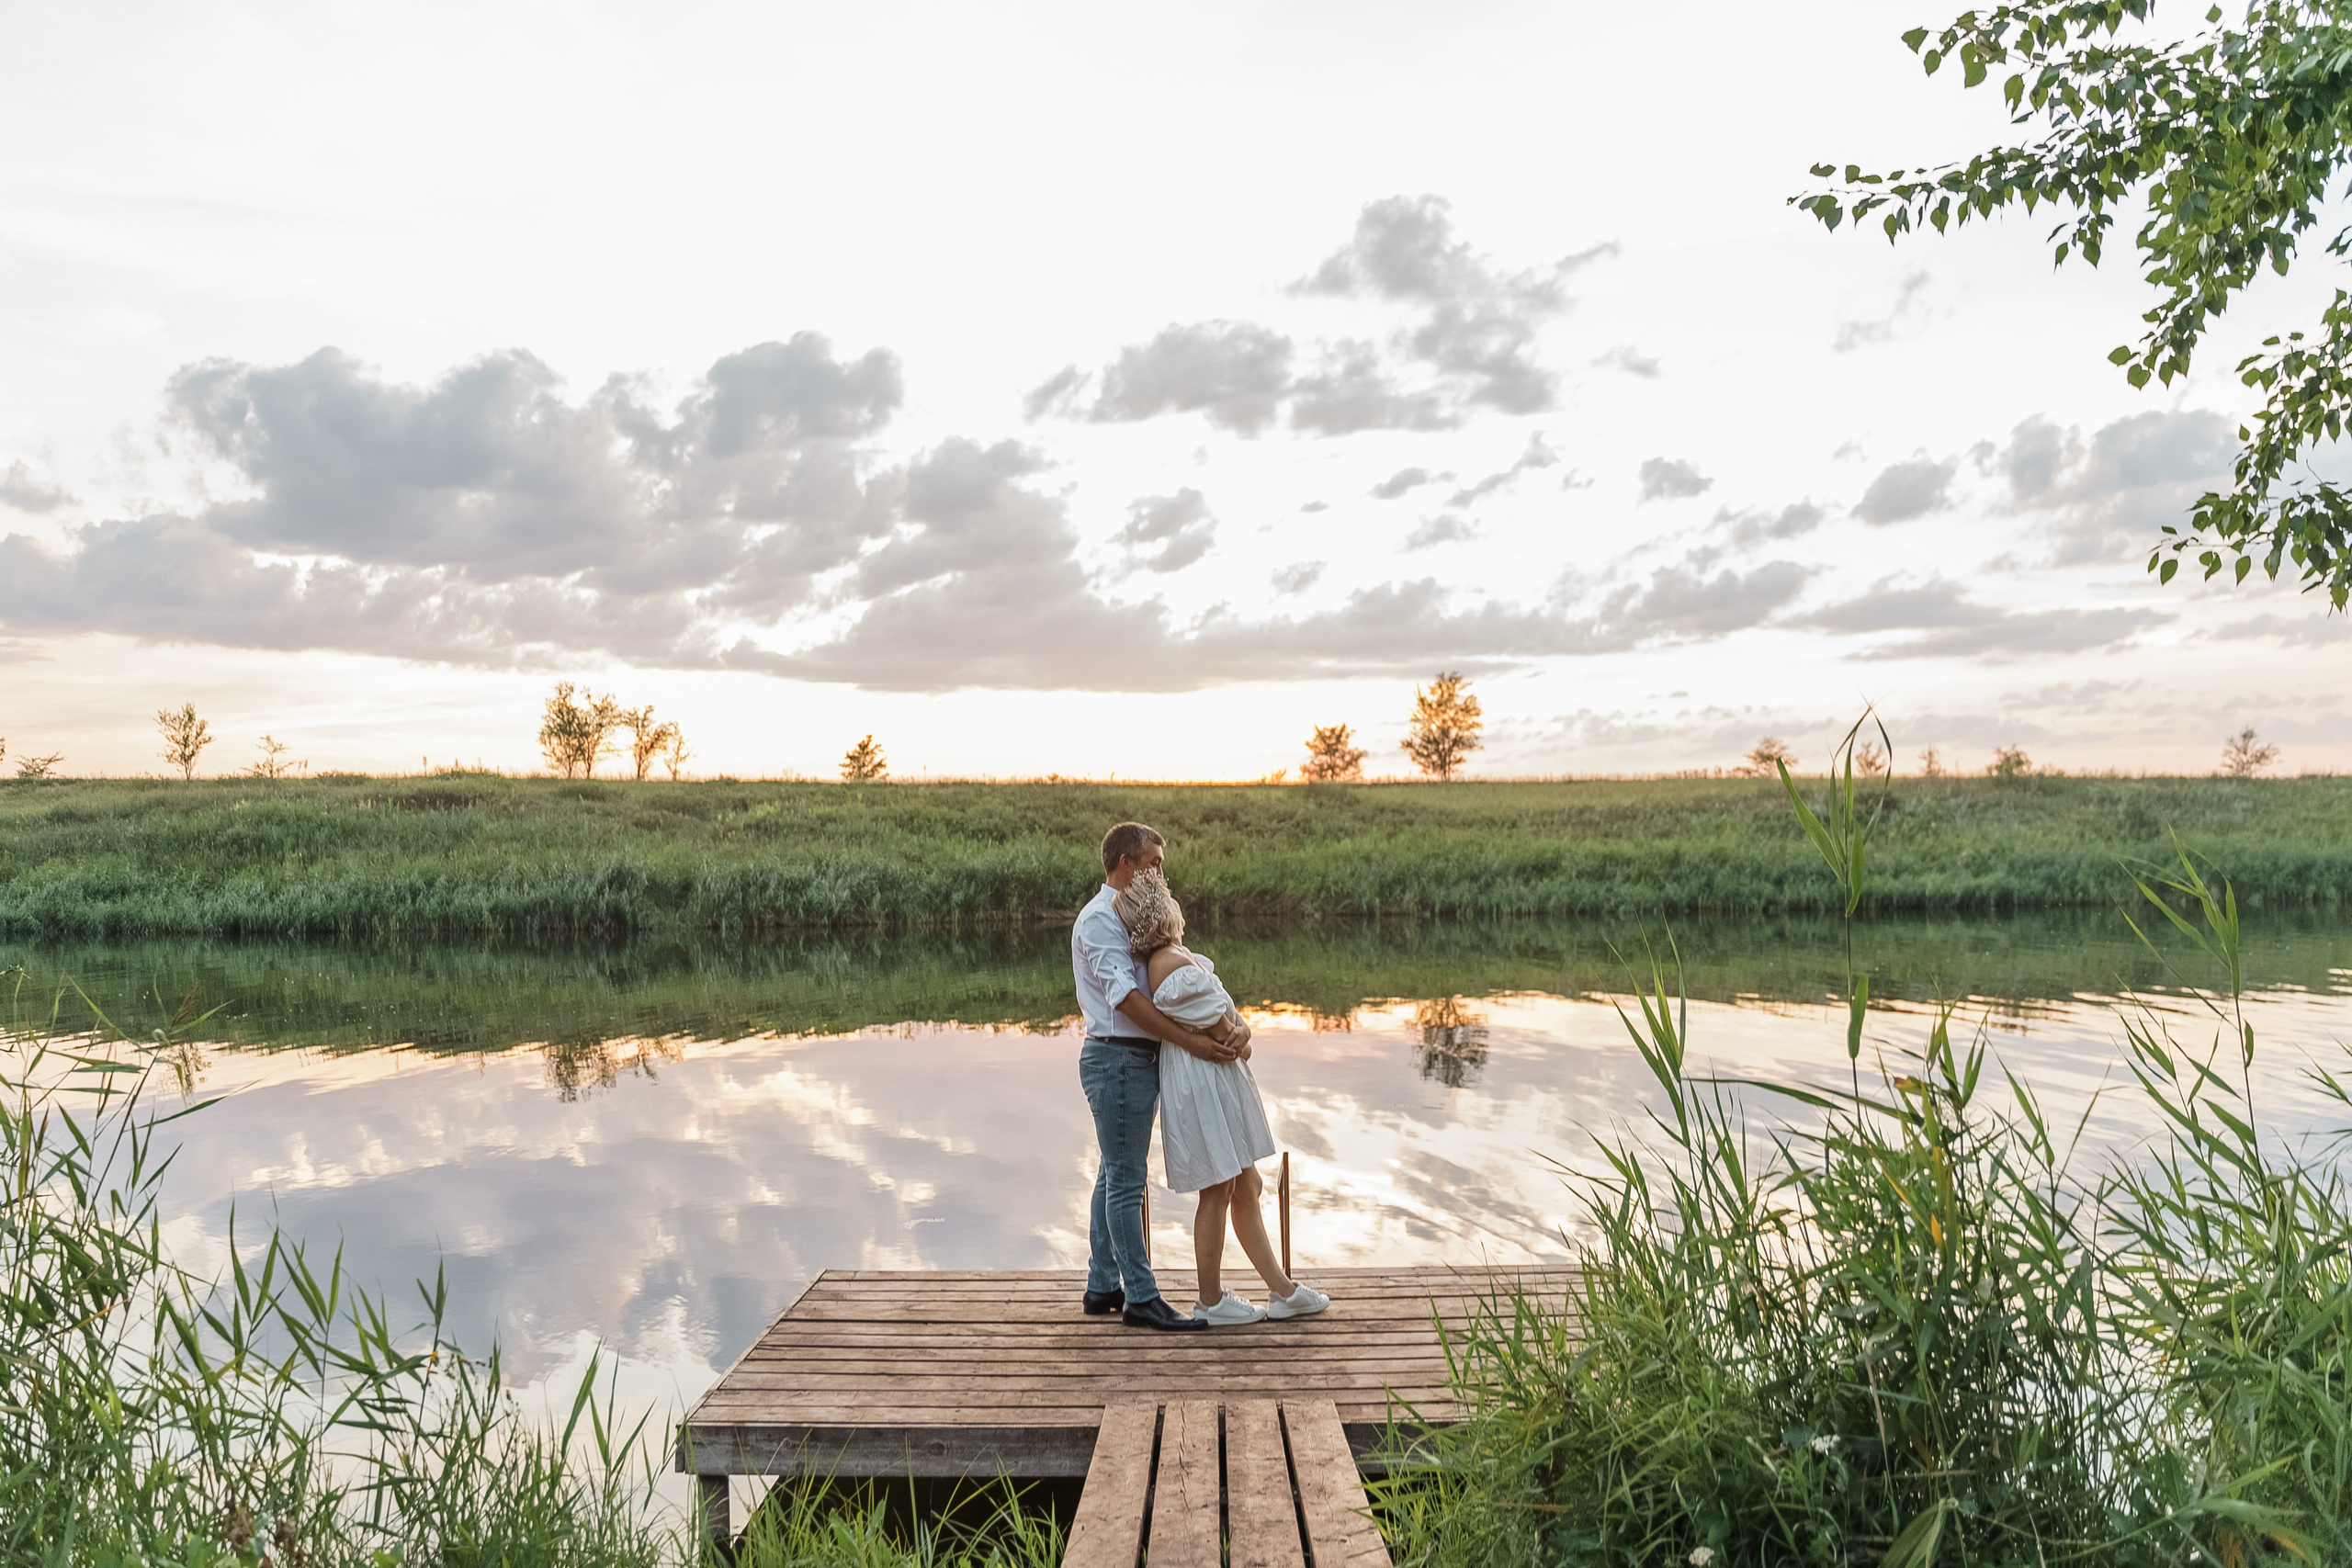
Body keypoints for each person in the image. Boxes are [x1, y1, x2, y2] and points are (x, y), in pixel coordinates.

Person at [1114, 870, 1329, 1325]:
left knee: (1247, 1184)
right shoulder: (1168, 965)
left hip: (1212, 1079)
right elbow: (1228, 1035)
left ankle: (1282, 1292)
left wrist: (1242, 1029)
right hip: (1203, 1082)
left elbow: (1230, 1022)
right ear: (1161, 909)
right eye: (1165, 894)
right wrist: (1241, 1035)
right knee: (1218, 1187)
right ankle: (1210, 1301)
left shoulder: (1176, 956)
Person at [1071, 822, 1243, 1331]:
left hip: (1130, 1059)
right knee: (1127, 1182)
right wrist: (1191, 1041)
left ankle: (1102, 1284)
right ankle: (1142, 1298)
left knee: (1113, 1173)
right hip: (1117, 1058)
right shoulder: (1101, 919)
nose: (1160, 873)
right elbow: (1125, 999)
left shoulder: (1129, 913)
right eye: (1154, 863)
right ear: (1125, 863)